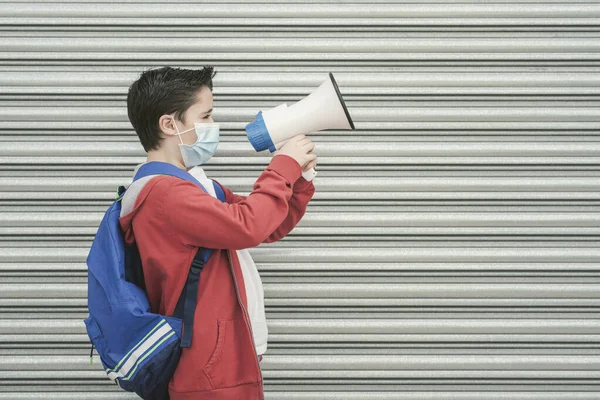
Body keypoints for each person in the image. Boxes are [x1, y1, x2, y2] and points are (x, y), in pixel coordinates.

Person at [119, 66, 316, 400]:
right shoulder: (166, 195)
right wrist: (283, 165)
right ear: (169, 124)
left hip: (221, 356)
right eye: (206, 115)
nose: (214, 126)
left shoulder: (195, 187)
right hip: (208, 365)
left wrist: (299, 180)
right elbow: (248, 225)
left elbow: (268, 224)